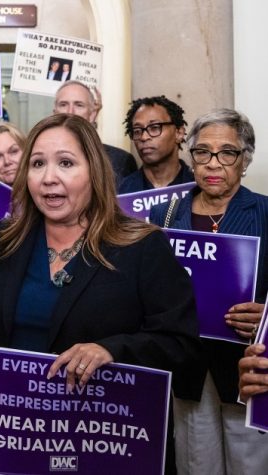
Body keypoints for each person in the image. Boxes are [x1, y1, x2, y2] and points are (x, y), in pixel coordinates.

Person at [0, 110, 199, 422]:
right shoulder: (7, 239)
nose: (48, 178)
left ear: (94, 171)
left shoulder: (142, 245)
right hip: (15, 424)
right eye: (37, 164)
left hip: (102, 431)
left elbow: (180, 343)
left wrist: (112, 350)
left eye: (66, 163)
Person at [150, 108, 268, 475]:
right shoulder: (163, 215)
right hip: (188, 367)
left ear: (245, 160)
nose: (213, 163)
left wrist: (267, 318)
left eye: (227, 152)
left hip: (248, 367)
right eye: (203, 152)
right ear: (191, 157)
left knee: (251, 464)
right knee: (195, 463)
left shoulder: (265, 212)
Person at [53, 80, 137, 185]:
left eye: (79, 105)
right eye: (63, 104)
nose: (70, 112)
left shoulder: (120, 161)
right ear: (54, 113)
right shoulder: (38, 155)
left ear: (92, 114)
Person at [119, 95, 194, 194]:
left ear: (179, 133)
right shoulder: (121, 192)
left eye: (154, 128)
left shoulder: (198, 186)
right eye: (137, 131)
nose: (144, 137)